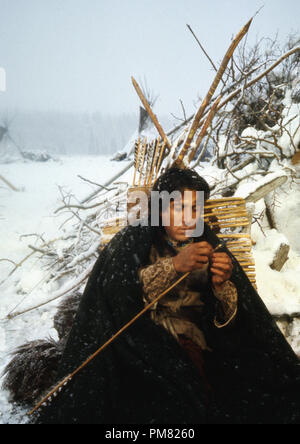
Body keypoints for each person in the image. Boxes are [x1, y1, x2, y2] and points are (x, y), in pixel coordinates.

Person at [34, 167, 300, 424]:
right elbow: (119, 295)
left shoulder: (207, 244)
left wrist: (222, 288)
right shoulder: (133, 243)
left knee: (259, 389)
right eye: (178, 207)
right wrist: (175, 266)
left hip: (195, 343)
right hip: (136, 344)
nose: (188, 218)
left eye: (194, 209)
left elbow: (232, 323)